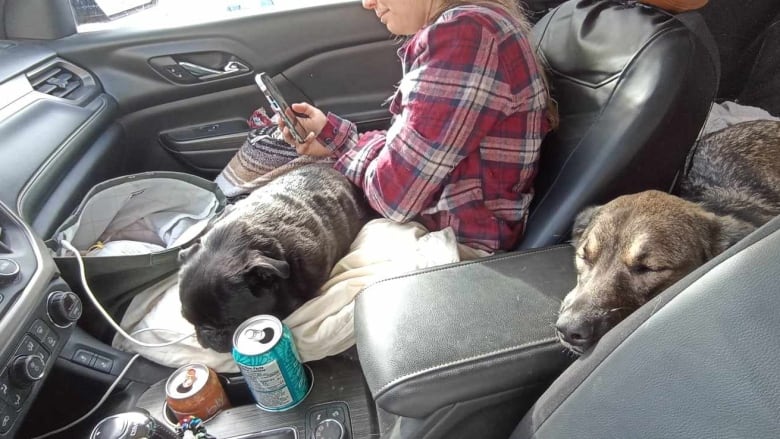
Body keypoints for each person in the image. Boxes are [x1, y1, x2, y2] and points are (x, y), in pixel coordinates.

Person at [279, 0, 555, 254]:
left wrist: (348, 151)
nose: (367, 3)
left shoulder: (466, 36)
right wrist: (332, 138)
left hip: (451, 251)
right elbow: (407, 157)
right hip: (431, 231)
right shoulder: (471, 30)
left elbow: (393, 195)